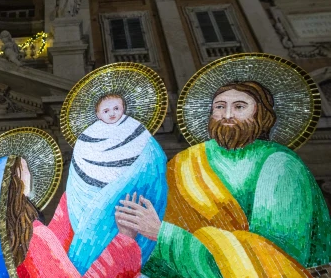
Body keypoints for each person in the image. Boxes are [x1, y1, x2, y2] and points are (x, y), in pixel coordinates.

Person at [118, 81, 331, 277]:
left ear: (261, 114)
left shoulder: (280, 164)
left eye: (239, 107)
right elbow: (154, 244)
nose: (227, 114)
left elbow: (274, 255)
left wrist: (164, 235)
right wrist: (132, 235)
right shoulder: (185, 162)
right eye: (219, 107)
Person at [0, 155, 143, 278]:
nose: (30, 174)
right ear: (16, 178)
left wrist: (72, 198)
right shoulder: (33, 235)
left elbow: (53, 245)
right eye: (25, 169)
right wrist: (124, 241)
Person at [64, 94, 167, 274]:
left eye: (116, 109)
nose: (112, 113)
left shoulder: (138, 130)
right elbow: (78, 182)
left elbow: (154, 164)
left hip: (134, 204)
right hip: (94, 206)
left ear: (123, 108)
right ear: (97, 114)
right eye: (106, 110)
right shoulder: (86, 138)